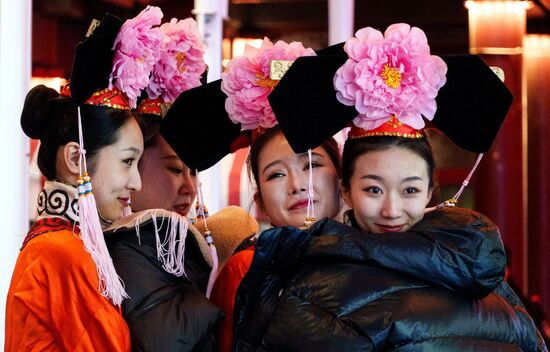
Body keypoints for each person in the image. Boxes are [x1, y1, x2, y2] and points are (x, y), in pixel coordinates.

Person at [232, 23, 547, 351]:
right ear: (346, 190)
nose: (391, 210)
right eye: (374, 190)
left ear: (430, 191)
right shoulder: (481, 267)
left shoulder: (310, 286)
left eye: (409, 190)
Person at [4, 13, 143, 351]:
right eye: (127, 161)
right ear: (75, 159)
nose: (136, 182)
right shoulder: (63, 251)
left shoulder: (58, 243)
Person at [101, 11, 225, 351]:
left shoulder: (175, 242)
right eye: (174, 168)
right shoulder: (123, 250)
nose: (189, 186)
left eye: (194, 171)